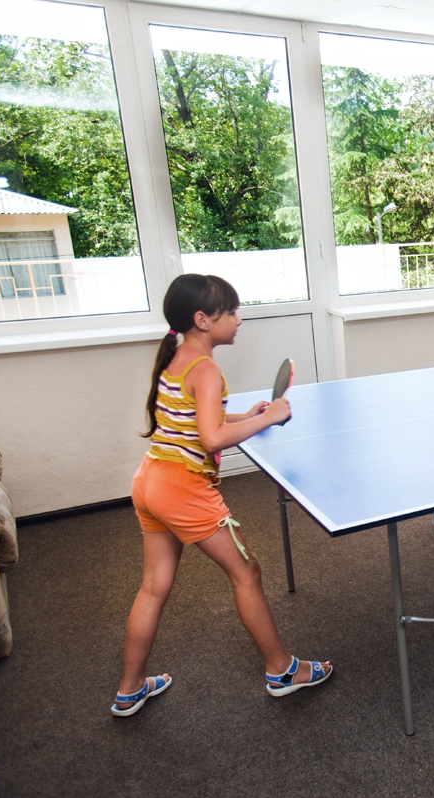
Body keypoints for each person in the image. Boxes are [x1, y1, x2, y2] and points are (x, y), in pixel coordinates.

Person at [112, 273, 332, 716]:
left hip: (150, 481)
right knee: (246, 573)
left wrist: (245, 415)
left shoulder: (177, 358)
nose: (238, 319)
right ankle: (282, 670)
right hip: (183, 490)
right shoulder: (207, 368)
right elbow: (211, 438)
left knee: (153, 588)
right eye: (230, 312)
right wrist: (270, 418)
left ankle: (129, 689)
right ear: (202, 320)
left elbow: (198, 419)